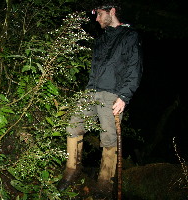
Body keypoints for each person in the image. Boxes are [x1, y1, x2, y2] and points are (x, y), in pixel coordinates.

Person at [57, 0, 143, 198]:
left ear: (111, 11)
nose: (96, 19)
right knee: (73, 124)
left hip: (112, 94)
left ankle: (104, 183)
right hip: (91, 91)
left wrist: (124, 96)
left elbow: (134, 68)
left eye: (99, 14)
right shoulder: (102, 38)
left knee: (109, 138)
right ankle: (72, 170)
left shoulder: (130, 36)